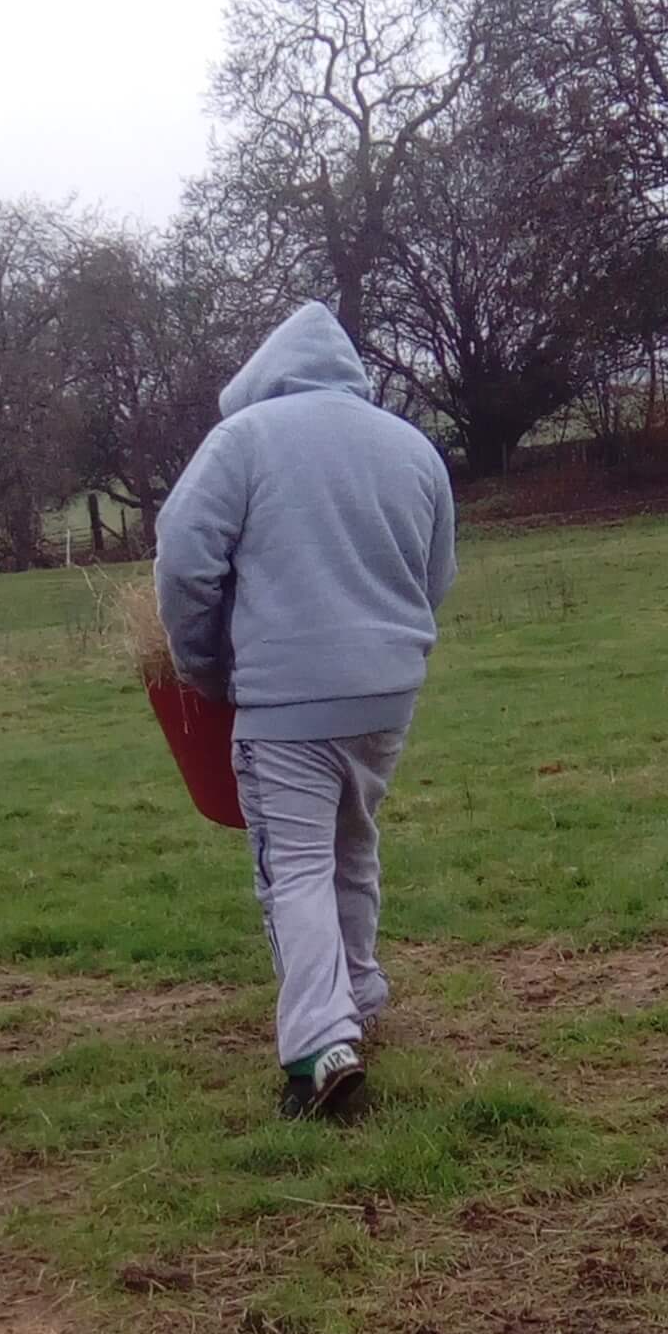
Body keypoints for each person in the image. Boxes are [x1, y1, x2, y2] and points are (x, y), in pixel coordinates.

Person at [155, 302, 457, 1121]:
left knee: (292, 866)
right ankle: (359, 994)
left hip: (284, 701)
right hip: (386, 695)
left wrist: (201, 664)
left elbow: (182, 560)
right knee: (350, 847)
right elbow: (434, 575)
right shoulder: (411, 447)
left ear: (265, 373)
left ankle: (320, 1046)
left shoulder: (243, 441)